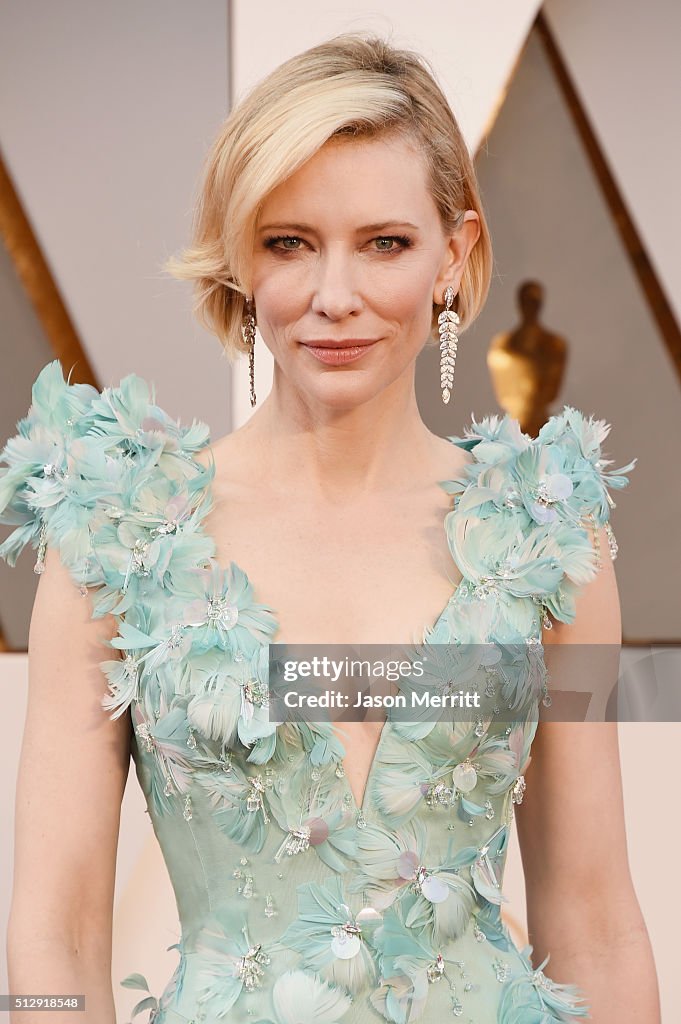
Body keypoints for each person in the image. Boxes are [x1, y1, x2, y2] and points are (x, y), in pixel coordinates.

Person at [0, 31, 660, 1024]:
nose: (334, 297)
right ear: (238, 257)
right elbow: (54, 932)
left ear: (455, 254)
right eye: (289, 243)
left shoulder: (548, 537)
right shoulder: (115, 535)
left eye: (384, 243)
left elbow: (595, 916)